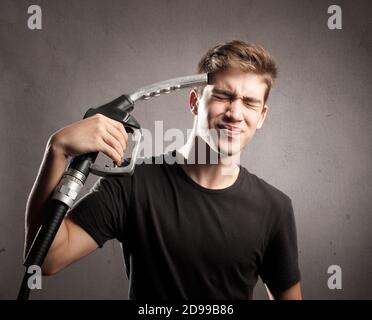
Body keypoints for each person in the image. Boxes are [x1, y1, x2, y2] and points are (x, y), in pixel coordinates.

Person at [23, 40, 302, 300]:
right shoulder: (132, 184)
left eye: (250, 102)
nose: (235, 113)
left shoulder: (274, 208)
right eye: (223, 96)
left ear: (261, 116)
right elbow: (45, 260)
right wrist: (57, 150)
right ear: (195, 102)